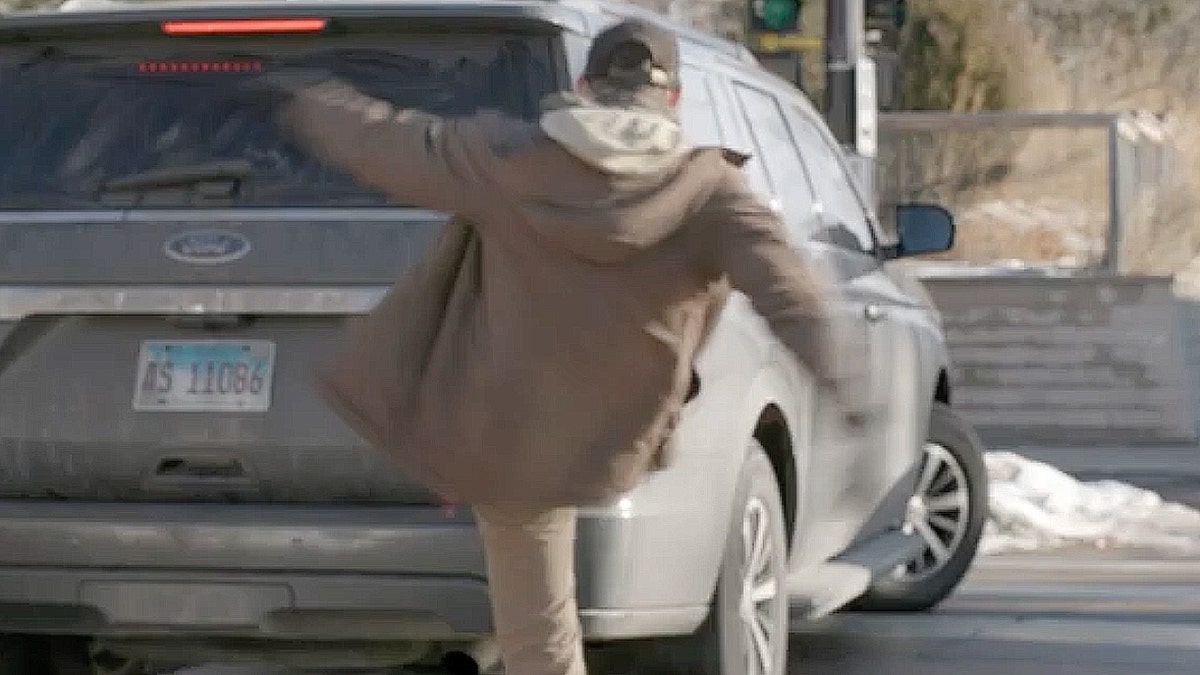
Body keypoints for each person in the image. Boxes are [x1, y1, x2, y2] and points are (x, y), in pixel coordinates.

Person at [246, 18, 862, 675]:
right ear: (673, 98)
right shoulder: (709, 193)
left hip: (513, 435)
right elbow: (791, 294)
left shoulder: (508, 158)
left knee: (538, 632)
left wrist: (297, 92)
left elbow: (386, 138)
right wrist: (846, 384)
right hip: (620, 432)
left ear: (584, 87)